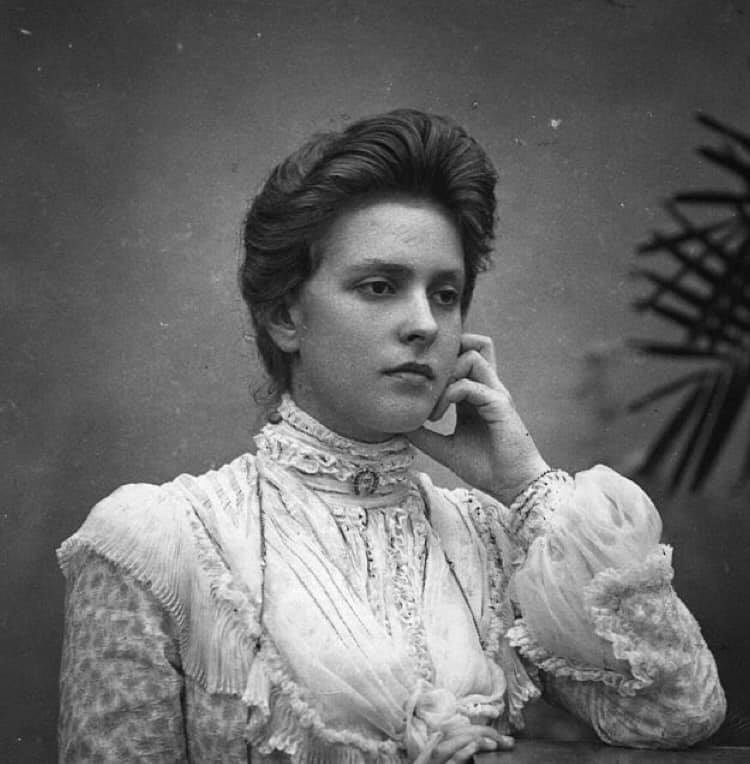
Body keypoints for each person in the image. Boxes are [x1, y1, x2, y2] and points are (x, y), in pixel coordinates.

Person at [57, 109, 726, 763]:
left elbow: (675, 712)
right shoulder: (159, 540)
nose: (425, 325)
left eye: (445, 294)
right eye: (380, 286)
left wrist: (523, 485)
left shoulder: (492, 538)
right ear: (285, 315)